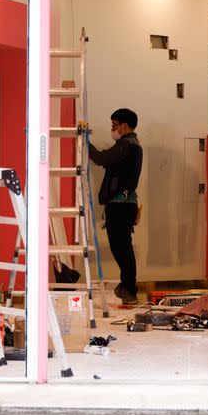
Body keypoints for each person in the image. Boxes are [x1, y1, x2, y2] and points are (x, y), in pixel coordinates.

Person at [88, 108, 143, 305]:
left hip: (121, 206)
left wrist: (85, 143)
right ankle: (127, 288)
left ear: (125, 126)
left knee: (122, 249)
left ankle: (129, 289)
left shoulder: (126, 145)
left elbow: (102, 159)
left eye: (114, 125)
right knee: (121, 248)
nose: (113, 129)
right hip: (123, 205)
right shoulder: (131, 145)